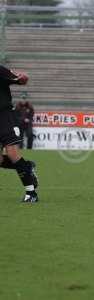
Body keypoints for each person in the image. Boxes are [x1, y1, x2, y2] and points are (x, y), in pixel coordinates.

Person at [0, 65, 39, 202]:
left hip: (4, 116)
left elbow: (21, 80)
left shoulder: (0, 70)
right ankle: (27, 166)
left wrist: (23, 78)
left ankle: (31, 193)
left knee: (12, 153)